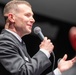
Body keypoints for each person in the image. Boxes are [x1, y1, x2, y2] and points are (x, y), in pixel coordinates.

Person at [0, 0, 76, 75]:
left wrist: (58, 71)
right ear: (12, 17)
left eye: (32, 16)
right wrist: (44, 51)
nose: (33, 20)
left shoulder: (18, 43)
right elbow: (24, 73)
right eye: (27, 15)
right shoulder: (4, 41)